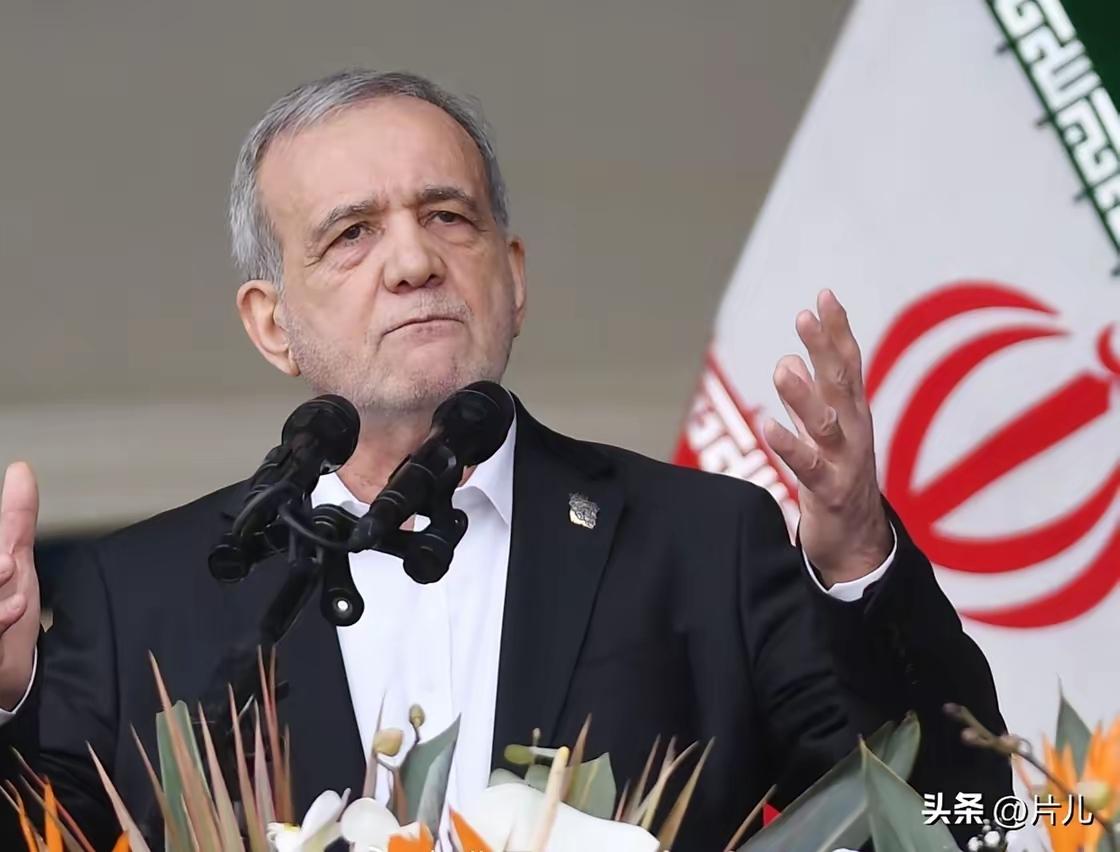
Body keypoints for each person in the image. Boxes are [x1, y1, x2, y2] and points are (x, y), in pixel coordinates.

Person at [0, 70, 1009, 850]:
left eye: (448, 217)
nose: (413, 262)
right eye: (351, 234)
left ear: (513, 278)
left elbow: (952, 820)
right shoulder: (141, 598)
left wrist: (859, 560)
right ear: (272, 324)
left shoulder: (703, 547)